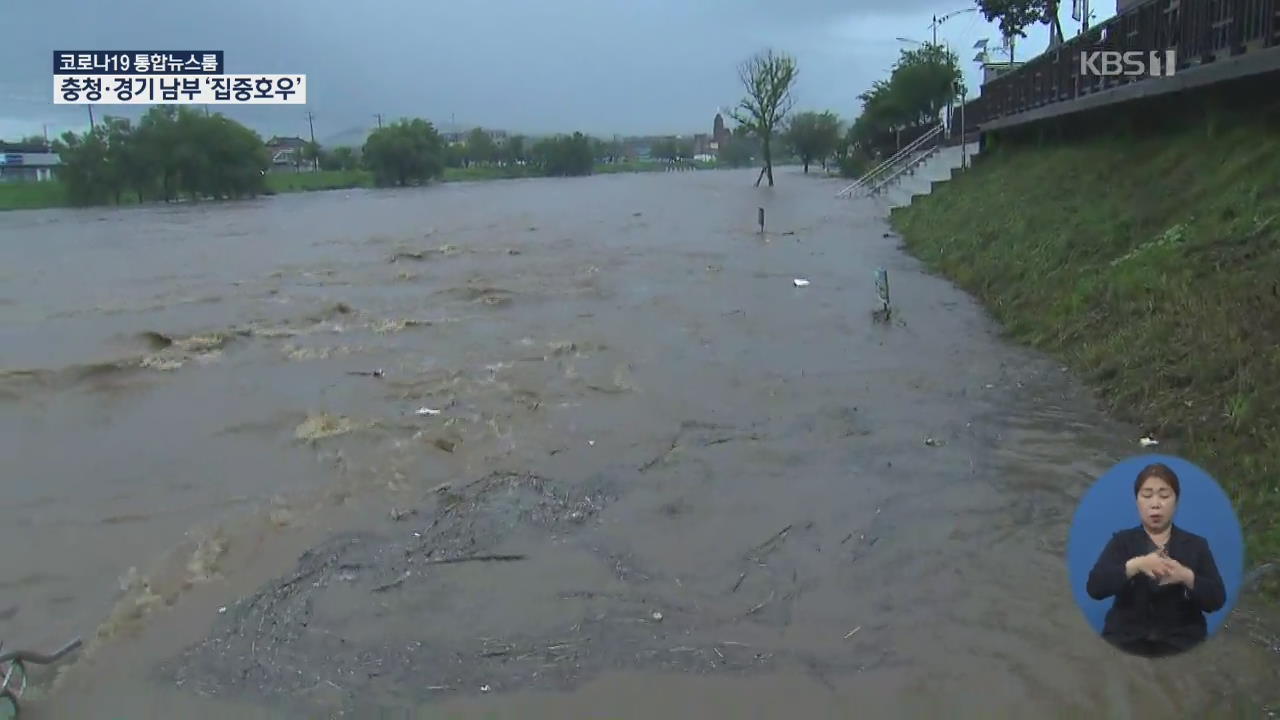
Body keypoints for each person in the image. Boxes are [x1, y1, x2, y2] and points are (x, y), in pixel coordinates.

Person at [1085, 462, 1226, 657]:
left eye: (1164, 495)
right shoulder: (1121, 542)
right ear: (1137, 501)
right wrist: (1135, 566)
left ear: (1176, 501)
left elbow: (1216, 600)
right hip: (1126, 640)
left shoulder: (1196, 545)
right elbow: (1095, 588)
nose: (1155, 503)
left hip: (1181, 642)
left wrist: (1186, 576)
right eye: (1147, 495)